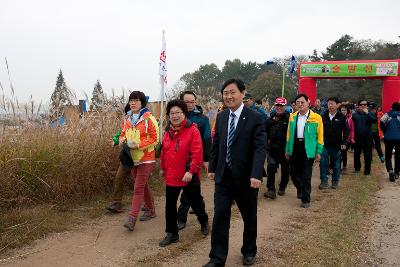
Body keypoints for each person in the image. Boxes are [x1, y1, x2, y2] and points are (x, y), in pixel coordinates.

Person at [204, 78, 267, 267]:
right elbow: (217, 144)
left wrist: (256, 173)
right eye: (225, 93)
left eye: (232, 92)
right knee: (220, 216)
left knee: (249, 216)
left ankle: (249, 250)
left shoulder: (255, 117)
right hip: (224, 177)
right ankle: (217, 258)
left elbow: (260, 147)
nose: (228, 96)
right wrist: (213, 167)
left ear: (242, 93)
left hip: (247, 178)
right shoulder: (222, 117)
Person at [159, 99, 209, 247]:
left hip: (188, 175)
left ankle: (204, 221)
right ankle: (172, 233)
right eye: (172, 113)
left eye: (178, 112)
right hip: (172, 175)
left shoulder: (192, 129)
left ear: (184, 113)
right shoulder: (168, 132)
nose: (175, 116)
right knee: (170, 205)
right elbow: (164, 152)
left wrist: (191, 171)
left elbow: (197, 152)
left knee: (195, 202)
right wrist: (162, 167)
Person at [122, 91, 160, 231]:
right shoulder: (127, 118)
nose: (132, 103)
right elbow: (122, 134)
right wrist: (121, 141)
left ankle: (132, 218)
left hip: (147, 158)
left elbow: (155, 138)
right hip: (133, 158)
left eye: (136, 100)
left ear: (142, 103)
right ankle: (151, 210)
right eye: (131, 100)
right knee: (142, 186)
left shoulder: (149, 118)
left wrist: (138, 144)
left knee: (137, 188)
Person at [176, 91, 211, 231]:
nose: (189, 104)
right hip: (178, 161)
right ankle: (191, 217)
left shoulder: (202, 119)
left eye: (192, 102)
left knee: (191, 192)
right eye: (186, 102)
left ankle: (186, 219)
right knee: (190, 192)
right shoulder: (175, 117)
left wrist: (207, 159)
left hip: (194, 161)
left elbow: (207, 139)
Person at [285, 94, 323, 208]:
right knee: (293, 172)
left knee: (306, 174)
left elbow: (320, 135)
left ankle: (305, 199)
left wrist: (319, 151)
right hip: (295, 146)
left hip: (308, 149)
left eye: (302, 102)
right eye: (298, 103)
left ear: (308, 102)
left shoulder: (316, 117)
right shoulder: (292, 117)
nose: (300, 104)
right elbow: (289, 134)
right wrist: (287, 149)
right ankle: (300, 189)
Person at [106, 103, 134, 214]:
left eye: (130, 111)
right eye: (127, 112)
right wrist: (115, 141)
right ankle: (116, 204)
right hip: (126, 157)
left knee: (141, 184)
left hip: (138, 157)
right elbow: (120, 133)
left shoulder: (142, 121)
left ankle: (149, 206)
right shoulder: (126, 121)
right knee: (118, 179)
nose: (129, 114)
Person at [319, 97, 349, 190]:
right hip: (324, 144)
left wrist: (344, 142)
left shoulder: (342, 117)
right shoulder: (323, 116)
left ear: (337, 105)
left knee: (336, 164)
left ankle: (335, 181)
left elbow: (346, 131)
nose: (330, 105)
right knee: (323, 163)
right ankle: (324, 181)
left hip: (336, 145)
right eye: (329, 103)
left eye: (332, 103)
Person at [264, 97, 290, 199]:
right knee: (271, 167)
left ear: (285, 106)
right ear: (275, 106)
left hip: (285, 149)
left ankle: (282, 187)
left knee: (285, 169)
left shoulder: (289, 119)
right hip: (272, 149)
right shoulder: (270, 119)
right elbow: (265, 132)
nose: (279, 107)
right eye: (277, 105)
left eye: (281, 106)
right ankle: (271, 190)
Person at [352, 100, 377, 175]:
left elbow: (374, 121)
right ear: (358, 106)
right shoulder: (355, 115)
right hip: (358, 137)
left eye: (365, 105)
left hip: (367, 138)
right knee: (357, 154)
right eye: (361, 104)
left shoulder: (371, 114)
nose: (363, 106)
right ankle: (357, 168)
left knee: (367, 155)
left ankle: (367, 171)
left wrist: (368, 113)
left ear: (367, 106)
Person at [380, 102, 400, 181]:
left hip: (388, 138)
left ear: (392, 107)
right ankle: (397, 173)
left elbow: (381, 122)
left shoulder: (387, 114)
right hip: (399, 138)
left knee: (388, 155)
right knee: (398, 155)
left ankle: (390, 170)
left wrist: (384, 130)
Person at [339, 104, 355, 170]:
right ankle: (338, 166)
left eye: (345, 110)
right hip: (338, 139)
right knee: (339, 153)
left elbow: (352, 130)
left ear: (347, 111)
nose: (343, 111)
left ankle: (344, 166)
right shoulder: (338, 118)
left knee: (344, 153)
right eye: (342, 110)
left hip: (347, 140)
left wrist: (352, 138)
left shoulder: (350, 119)